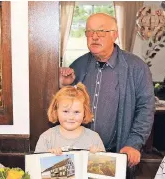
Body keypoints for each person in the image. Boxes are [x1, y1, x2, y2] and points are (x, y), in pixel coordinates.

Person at [59, 13, 154, 167]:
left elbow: (146, 108)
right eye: (90, 32)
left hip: (117, 153)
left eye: (101, 32)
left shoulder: (137, 67)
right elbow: (65, 105)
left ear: (115, 35)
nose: (94, 37)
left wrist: (134, 143)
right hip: (81, 153)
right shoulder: (78, 64)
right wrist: (64, 85)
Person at [35, 82, 105, 154]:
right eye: (65, 111)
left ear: (85, 112)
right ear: (56, 111)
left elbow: (105, 164)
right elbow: (35, 164)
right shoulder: (46, 138)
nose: (71, 117)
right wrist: (47, 156)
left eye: (76, 112)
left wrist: (97, 156)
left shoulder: (94, 138)